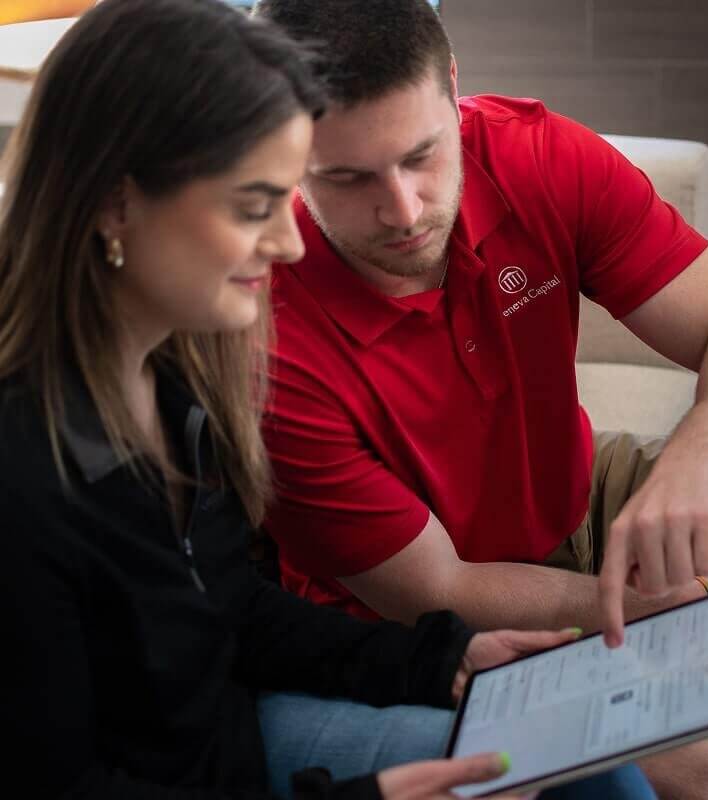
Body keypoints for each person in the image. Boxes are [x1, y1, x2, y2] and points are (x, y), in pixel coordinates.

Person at [0, 1, 657, 799]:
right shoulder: (24, 473)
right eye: (253, 207)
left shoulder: (180, 371)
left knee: (587, 766)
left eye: (289, 196)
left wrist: (441, 663)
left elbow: (227, 608)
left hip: (233, 739)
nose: (289, 242)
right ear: (113, 203)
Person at [256, 1, 708, 799]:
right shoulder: (266, 330)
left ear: (452, 86)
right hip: (422, 610)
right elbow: (440, 589)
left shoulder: (533, 151)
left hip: (572, 494)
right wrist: (668, 612)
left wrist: (697, 458)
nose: (403, 210)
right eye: (348, 178)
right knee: (698, 766)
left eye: (423, 155)